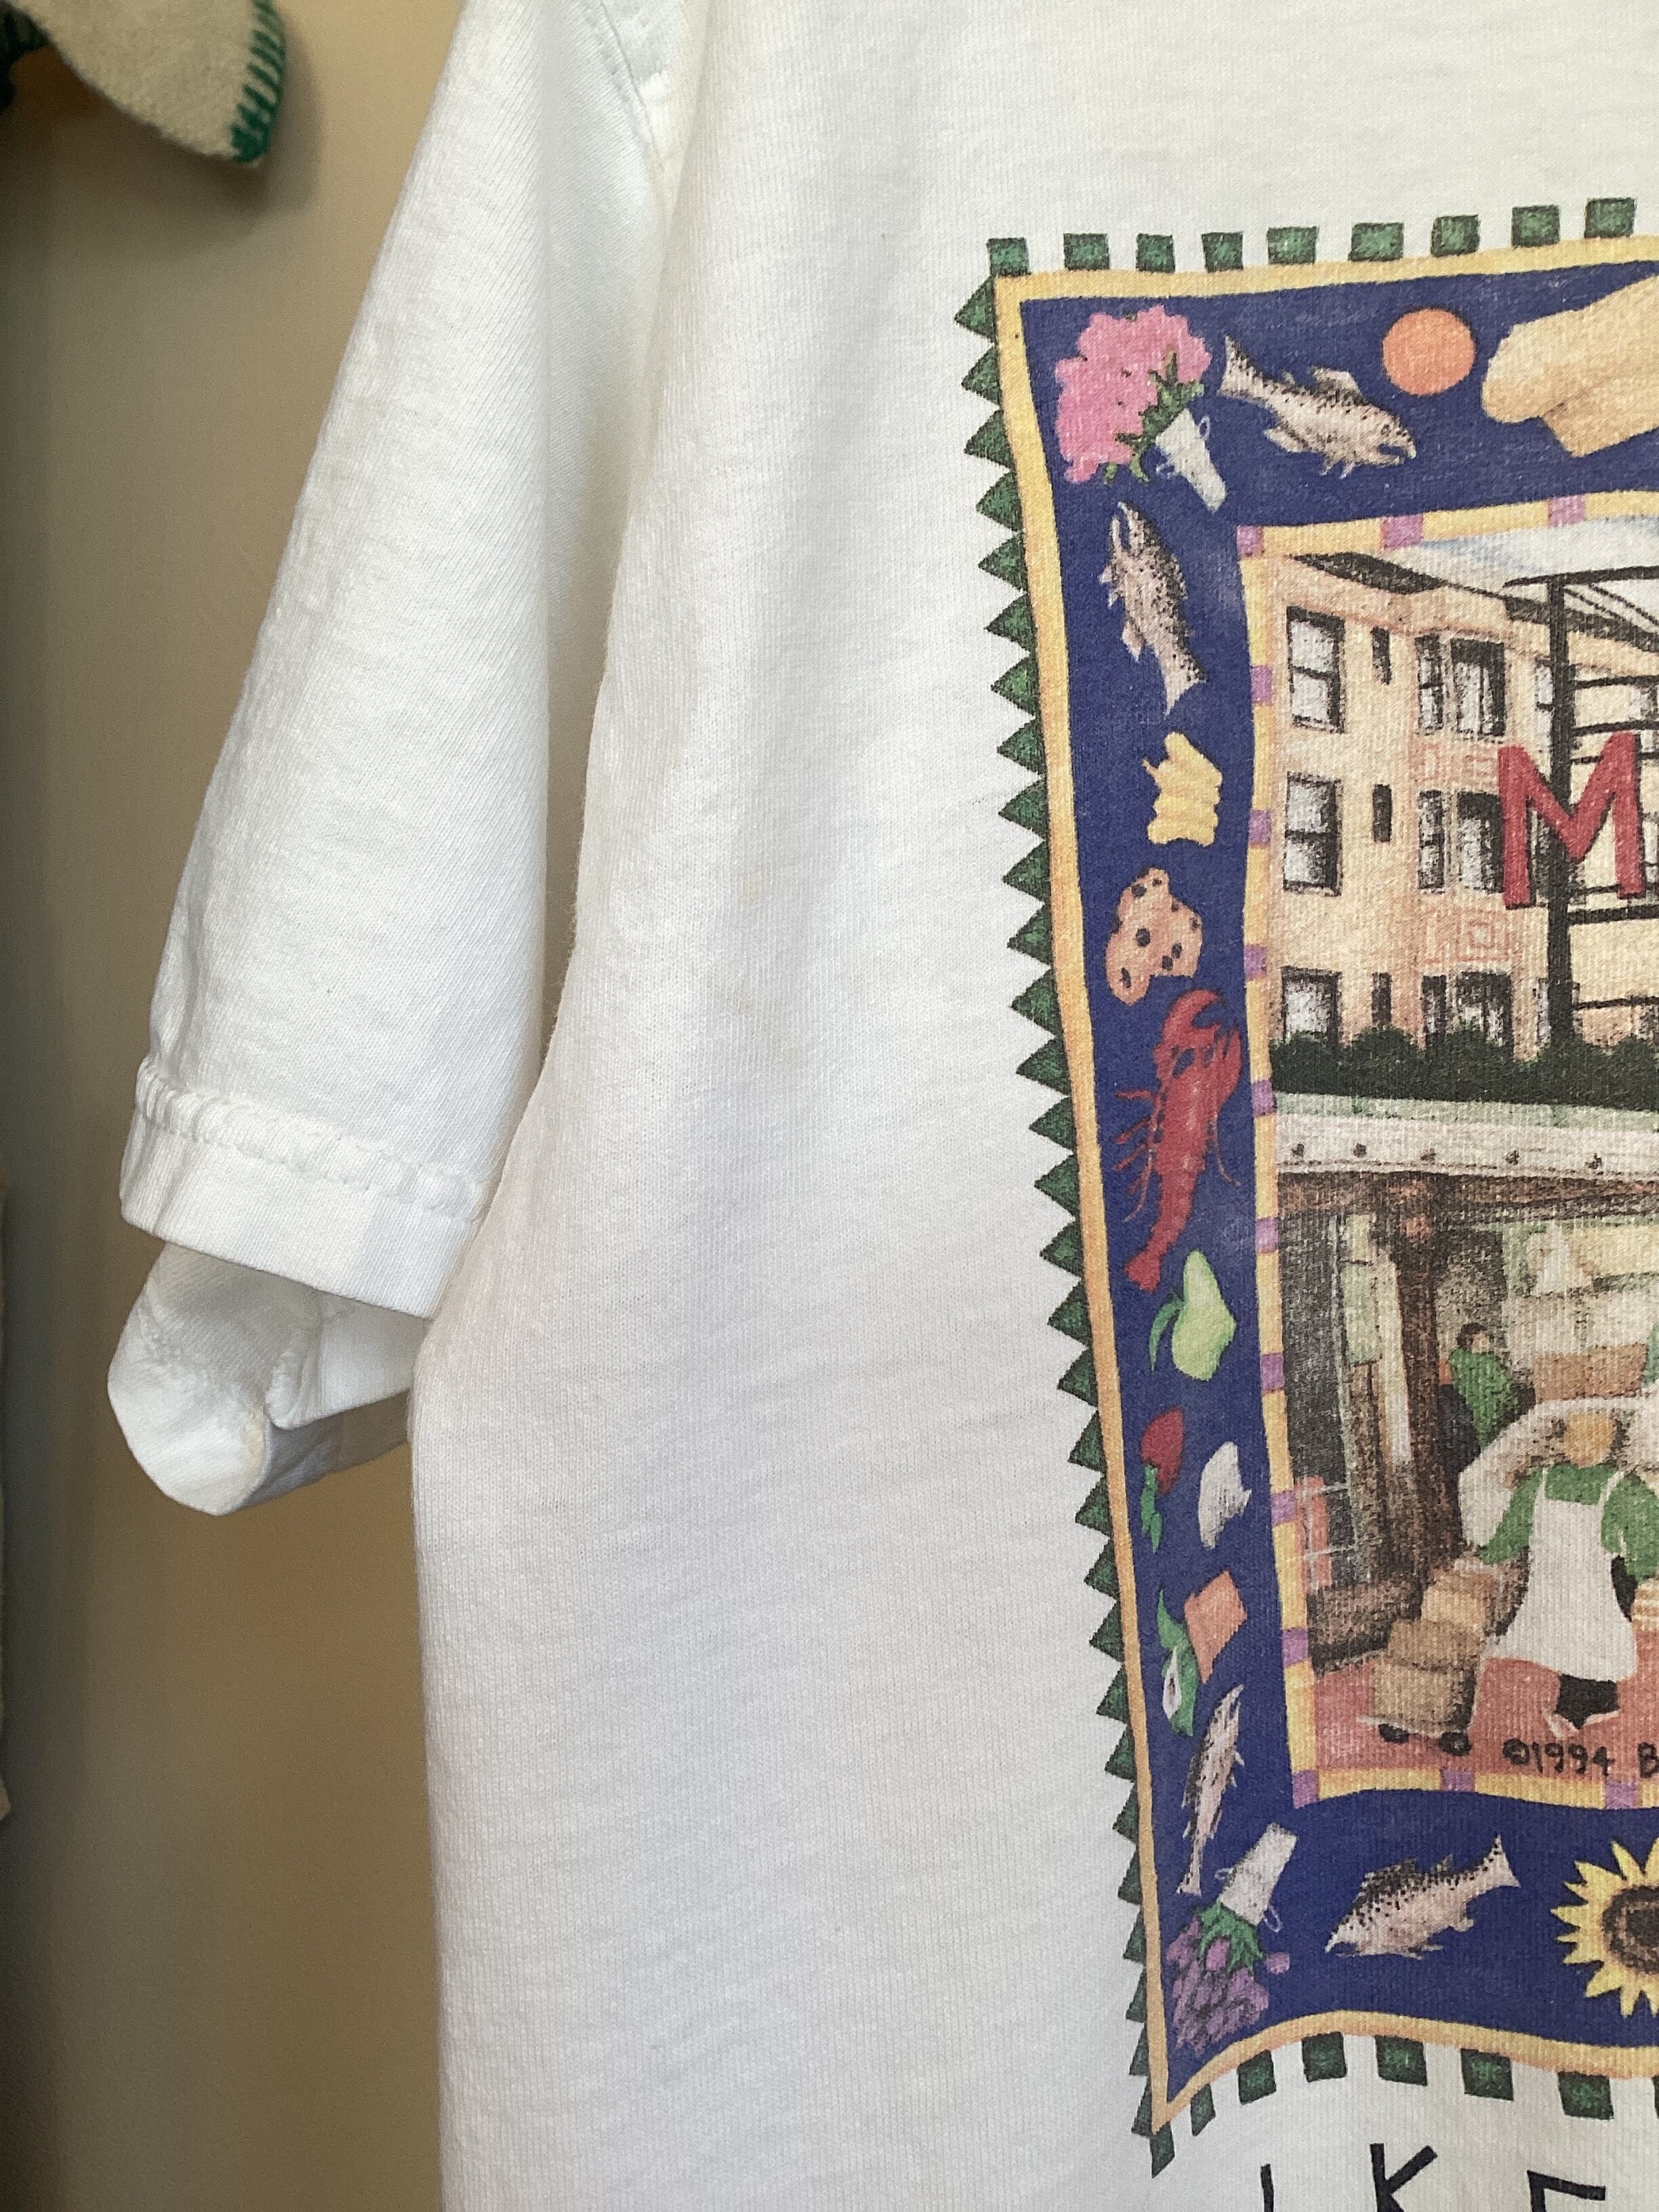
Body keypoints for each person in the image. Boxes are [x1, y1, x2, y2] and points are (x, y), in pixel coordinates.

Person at [1479, 1408, 1659, 1732]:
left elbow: (1649, 1533)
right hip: (1557, 1580)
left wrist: (1637, 1571)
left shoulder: (1619, 1486)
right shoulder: (1544, 1481)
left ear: (1609, 1444)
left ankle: (1574, 1713)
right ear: (1564, 1441)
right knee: (1572, 1639)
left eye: (1593, 1440)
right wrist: (1492, 1555)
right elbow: (1514, 1528)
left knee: (1583, 1641)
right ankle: (1599, 1705)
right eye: (1576, 1439)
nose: (1583, 1448)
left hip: (1591, 1580)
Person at [1448, 1322, 1520, 1451]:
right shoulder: (1479, 1364)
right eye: (1482, 1339)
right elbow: (1501, 1390)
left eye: (1487, 1338)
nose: (1487, 1342)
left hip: (1484, 1415)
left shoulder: (1486, 1360)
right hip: (1484, 1415)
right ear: (1470, 1342)